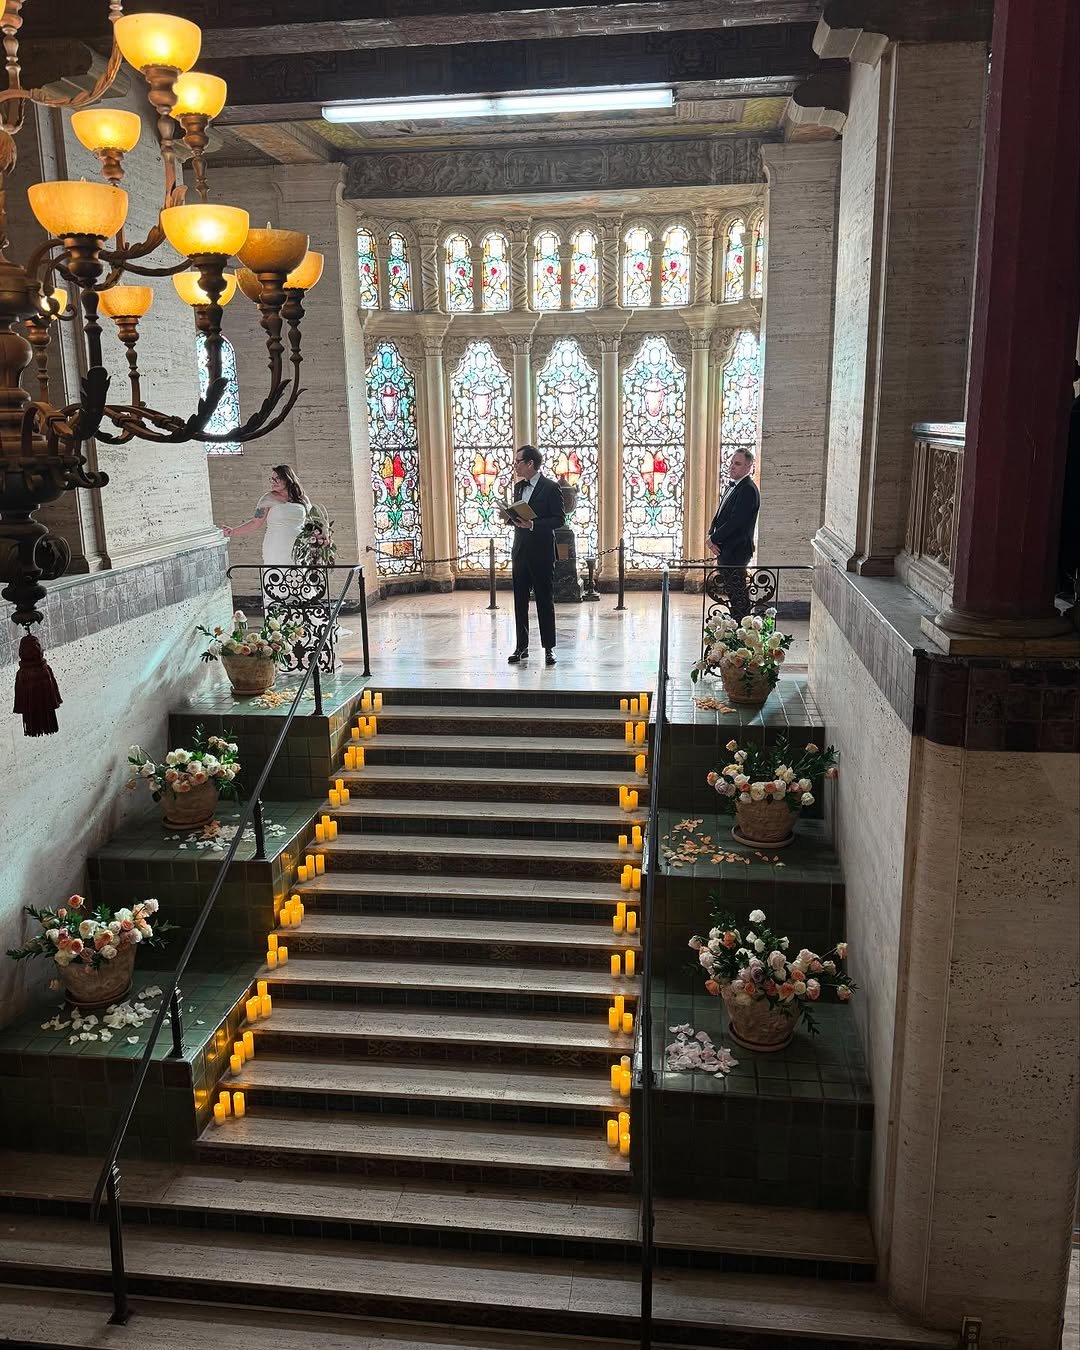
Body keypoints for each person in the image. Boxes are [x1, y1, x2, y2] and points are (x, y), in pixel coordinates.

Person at [506, 445, 565, 666]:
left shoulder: (550, 487)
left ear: (530, 463)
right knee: (519, 601)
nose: (516, 466)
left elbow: (559, 519)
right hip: (520, 551)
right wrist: (510, 517)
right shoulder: (518, 488)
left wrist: (533, 524)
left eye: (518, 462)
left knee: (544, 600)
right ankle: (521, 647)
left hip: (542, 552)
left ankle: (549, 648)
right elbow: (518, 515)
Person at [707, 448, 760, 622]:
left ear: (749, 467)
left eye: (737, 464)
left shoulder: (748, 490)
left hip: (736, 551)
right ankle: (738, 629)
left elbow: (735, 522)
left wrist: (713, 539)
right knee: (734, 594)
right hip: (727, 550)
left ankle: (742, 632)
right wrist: (711, 533)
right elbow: (720, 516)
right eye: (731, 462)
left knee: (738, 596)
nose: (732, 467)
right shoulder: (735, 486)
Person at [223, 464, 310, 566]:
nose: (273, 481)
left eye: (277, 478)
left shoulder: (303, 499)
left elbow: (311, 521)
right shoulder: (268, 498)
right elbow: (255, 522)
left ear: (287, 478)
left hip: (299, 546)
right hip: (276, 545)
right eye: (272, 479)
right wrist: (233, 531)